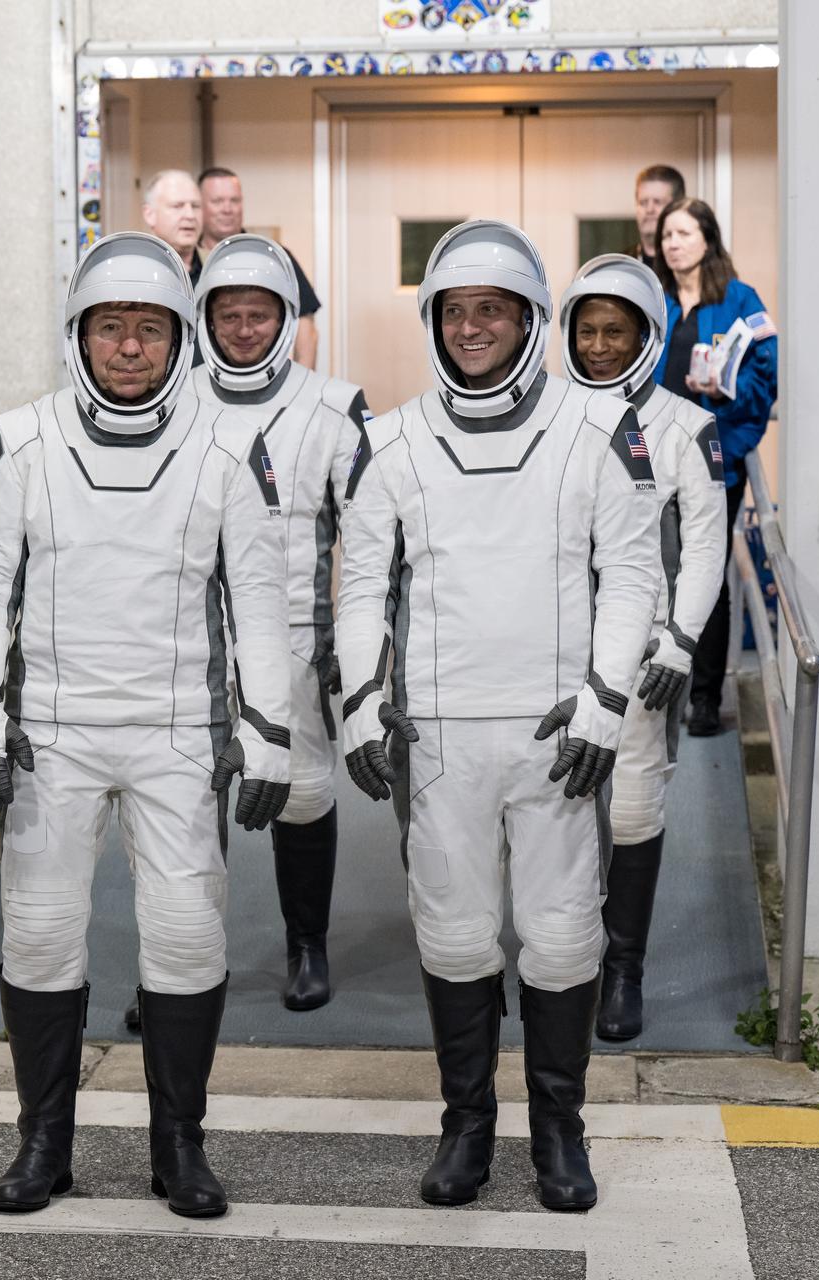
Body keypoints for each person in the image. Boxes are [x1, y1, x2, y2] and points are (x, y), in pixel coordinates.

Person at [0, 231, 291, 1220]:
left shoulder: (229, 449)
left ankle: (177, 1145)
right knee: (42, 931)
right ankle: (42, 1142)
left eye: (149, 330)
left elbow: (260, 606)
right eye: (112, 329)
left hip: (178, 730)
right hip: (49, 729)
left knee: (184, 936)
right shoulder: (21, 440)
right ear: (79, 336)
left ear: (179, 340)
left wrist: (270, 732)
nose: (131, 348)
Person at [337, 221, 662, 1212]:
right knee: (454, 932)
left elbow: (633, 575)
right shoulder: (388, 439)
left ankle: (557, 1128)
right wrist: (358, 705)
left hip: (555, 733)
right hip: (437, 738)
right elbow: (356, 586)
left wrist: (605, 701)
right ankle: (467, 1123)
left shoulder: (595, 428)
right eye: (454, 310)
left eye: (492, 309)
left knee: (563, 937)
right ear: (432, 320)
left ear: (529, 319)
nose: (471, 327)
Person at [193, 233, 367, 1011]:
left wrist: (353, 645)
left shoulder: (334, 407)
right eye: (226, 314)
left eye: (257, 314)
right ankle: (186, 957)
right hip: (186, 635)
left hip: (294, 634)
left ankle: (308, 946)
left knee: (298, 792)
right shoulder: (171, 400)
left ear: (285, 316)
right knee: (188, 797)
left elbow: (369, 539)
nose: (241, 329)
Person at [559, 255, 726, 1040]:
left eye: (614, 332)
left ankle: (622, 969)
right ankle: (563, 960)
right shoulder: (547, 416)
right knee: (545, 808)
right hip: (550, 651)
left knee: (629, 811)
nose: (597, 346)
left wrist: (680, 644)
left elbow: (703, 545)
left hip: (642, 658)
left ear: (646, 337)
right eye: (586, 330)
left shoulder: (683, 425)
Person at [654, 197, 778, 736]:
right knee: (658, 571)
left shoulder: (739, 300)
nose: (672, 243)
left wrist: (724, 386)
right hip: (654, 460)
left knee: (708, 576)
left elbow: (765, 382)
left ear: (708, 237)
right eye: (666, 236)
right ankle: (658, 684)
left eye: (682, 233)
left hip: (715, 460)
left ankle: (704, 697)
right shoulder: (653, 302)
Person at [198, 166, 320, 369]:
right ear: (200, 206)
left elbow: (307, 332)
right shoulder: (187, 263)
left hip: (265, 387)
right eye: (217, 201)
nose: (227, 209)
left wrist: (304, 391)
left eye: (234, 200)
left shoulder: (275, 258)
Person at [142, 169, 204, 286]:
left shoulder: (215, 268)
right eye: (177, 206)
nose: (190, 215)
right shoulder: (132, 271)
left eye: (195, 206)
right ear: (149, 215)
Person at [633, 165, 685, 270]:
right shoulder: (621, 267)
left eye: (658, 202)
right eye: (643, 202)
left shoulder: (690, 267)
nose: (649, 209)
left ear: (678, 206)